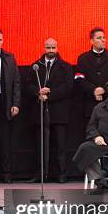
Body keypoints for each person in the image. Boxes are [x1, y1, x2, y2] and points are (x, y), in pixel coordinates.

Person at [27, 38, 73, 183]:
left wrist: (49, 94)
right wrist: (38, 92)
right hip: (40, 112)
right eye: (48, 47)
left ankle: (61, 174)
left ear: (57, 48)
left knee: (60, 146)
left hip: (59, 112)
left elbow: (68, 87)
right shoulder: (36, 66)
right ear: (44, 48)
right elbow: (27, 85)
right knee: (40, 145)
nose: (51, 50)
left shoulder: (66, 66)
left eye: (53, 47)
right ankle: (40, 174)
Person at [0, 28, 21, 183]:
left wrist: (15, 103)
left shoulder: (9, 58)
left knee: (5, 141)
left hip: (4, 102)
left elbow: (16, 83)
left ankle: (6, 174)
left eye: (0, 40)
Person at [75, 27, 108, 120]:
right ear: (92, 41)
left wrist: (104, 89)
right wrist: (94, 90)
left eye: (104, 37)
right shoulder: (83, 58)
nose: (103, 40)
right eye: (99, 38)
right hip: (89, 102)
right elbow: (79, 79)